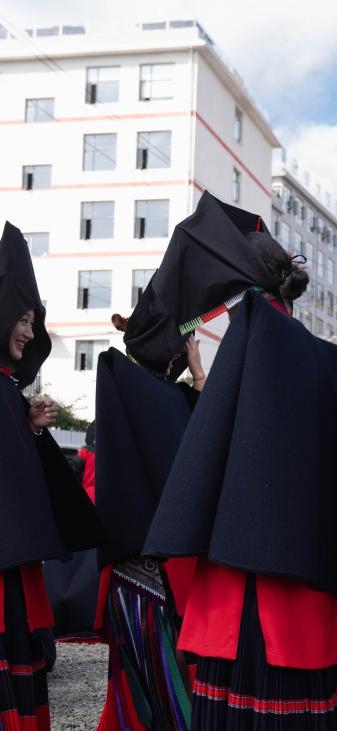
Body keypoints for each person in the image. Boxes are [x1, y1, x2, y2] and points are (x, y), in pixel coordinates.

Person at [94, 191, 296, 731]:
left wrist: (201, 380)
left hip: (195, 565)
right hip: (177, 569)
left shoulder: (225, 345)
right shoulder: (146, 380)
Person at [144, 221, 337, 729]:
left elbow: (206, 455)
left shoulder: (250, 332)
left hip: (243, 584)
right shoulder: (325, 356)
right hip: (306, 584)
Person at [0, 221, 104, 729]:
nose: (28, 330)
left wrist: (34, 432)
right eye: (21, 319)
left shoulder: (7, 392)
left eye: (31, 321)